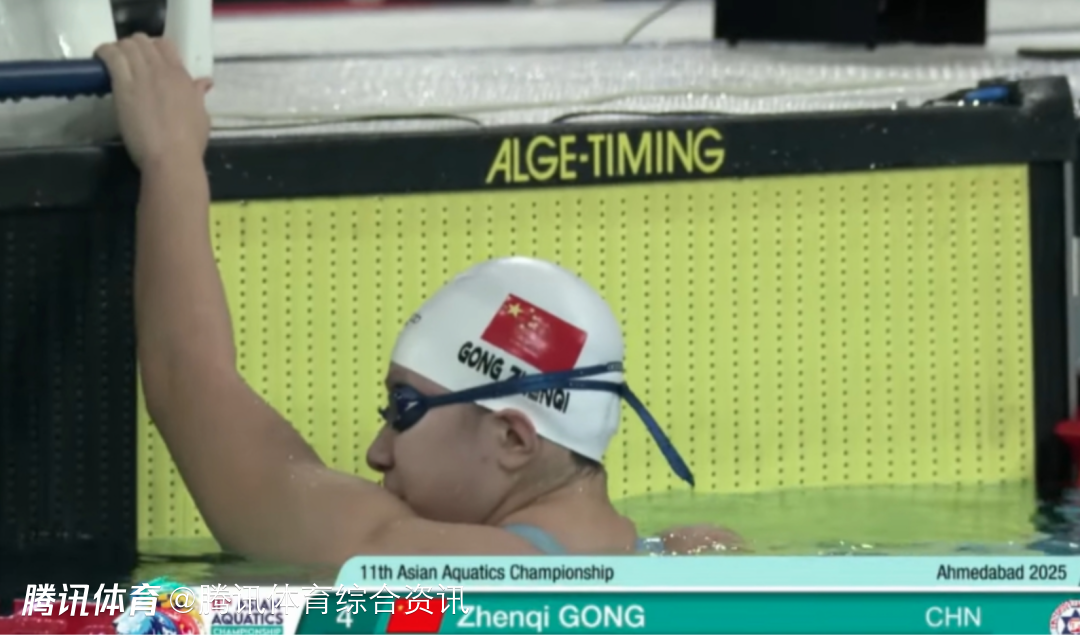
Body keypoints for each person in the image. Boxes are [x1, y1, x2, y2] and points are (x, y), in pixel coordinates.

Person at [94, 35, 741, 567]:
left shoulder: (424, 566)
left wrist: (172, 155)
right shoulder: (691, 555)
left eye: (404, 409)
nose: (377, 451)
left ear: (512, 438)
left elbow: (190, 381)